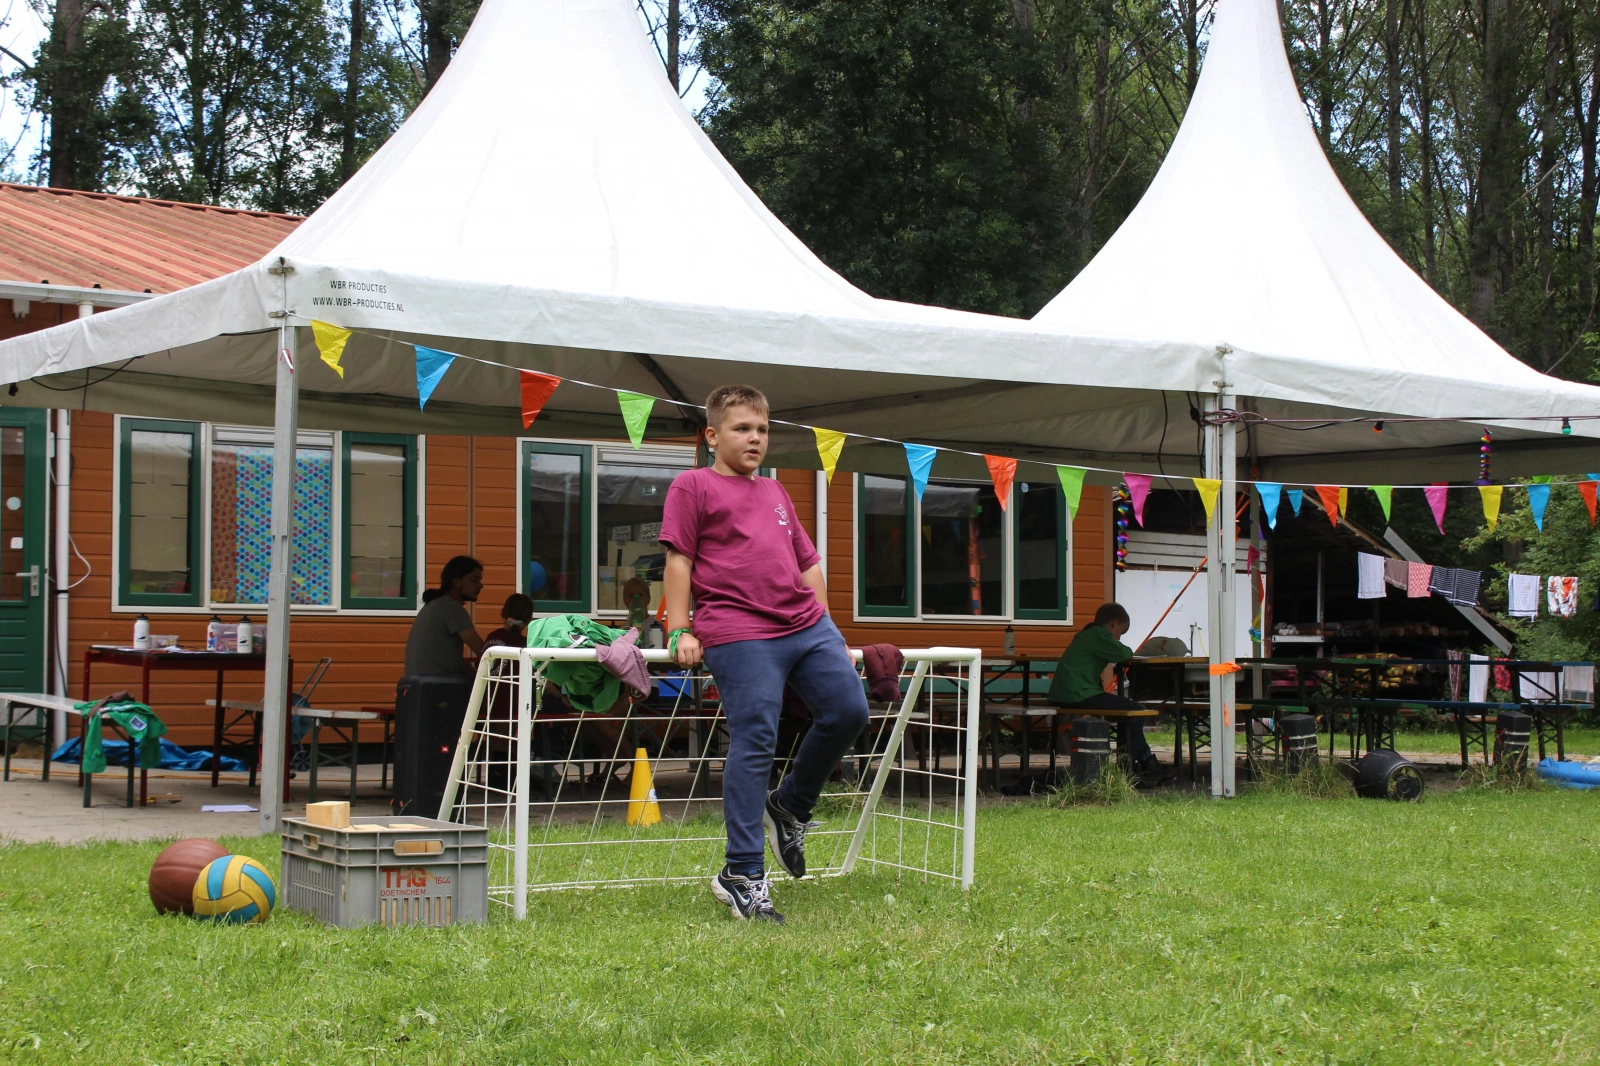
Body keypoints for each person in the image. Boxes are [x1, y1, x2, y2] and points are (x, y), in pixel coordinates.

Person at [662, 384, 869, 923]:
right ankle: (742, 872)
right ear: (712, 435)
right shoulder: (693, 486)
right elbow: (679, 561)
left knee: (850, 710)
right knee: (757, 735)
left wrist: (830, 631)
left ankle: (791, 804)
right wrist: (682, 627)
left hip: (805, 623)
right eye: (742, 429)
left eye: (762, 430)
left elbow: (808, 565)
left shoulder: (776, 493)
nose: (755, 439)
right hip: (737, 627)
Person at [1046, 602, 1167, 783]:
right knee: (1136, 711)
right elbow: (1125, 654)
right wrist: (1120, 645)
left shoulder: (1086, 635)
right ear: (1114, 623)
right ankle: (1141, 763)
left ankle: (1136, 761)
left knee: (1127, 710)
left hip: (1063, 694)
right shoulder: (1099, 636)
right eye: (1121, 632)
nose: (1118, 637)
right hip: (1079, 694)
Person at [404, 555, 486, 678]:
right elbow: (485, 652)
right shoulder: (452, 608)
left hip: (419, 687)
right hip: (438, 687)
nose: (481, 585)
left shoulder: (433, 605)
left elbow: (455, 662)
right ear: (456, 582)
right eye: (474, 580)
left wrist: (476, 678)